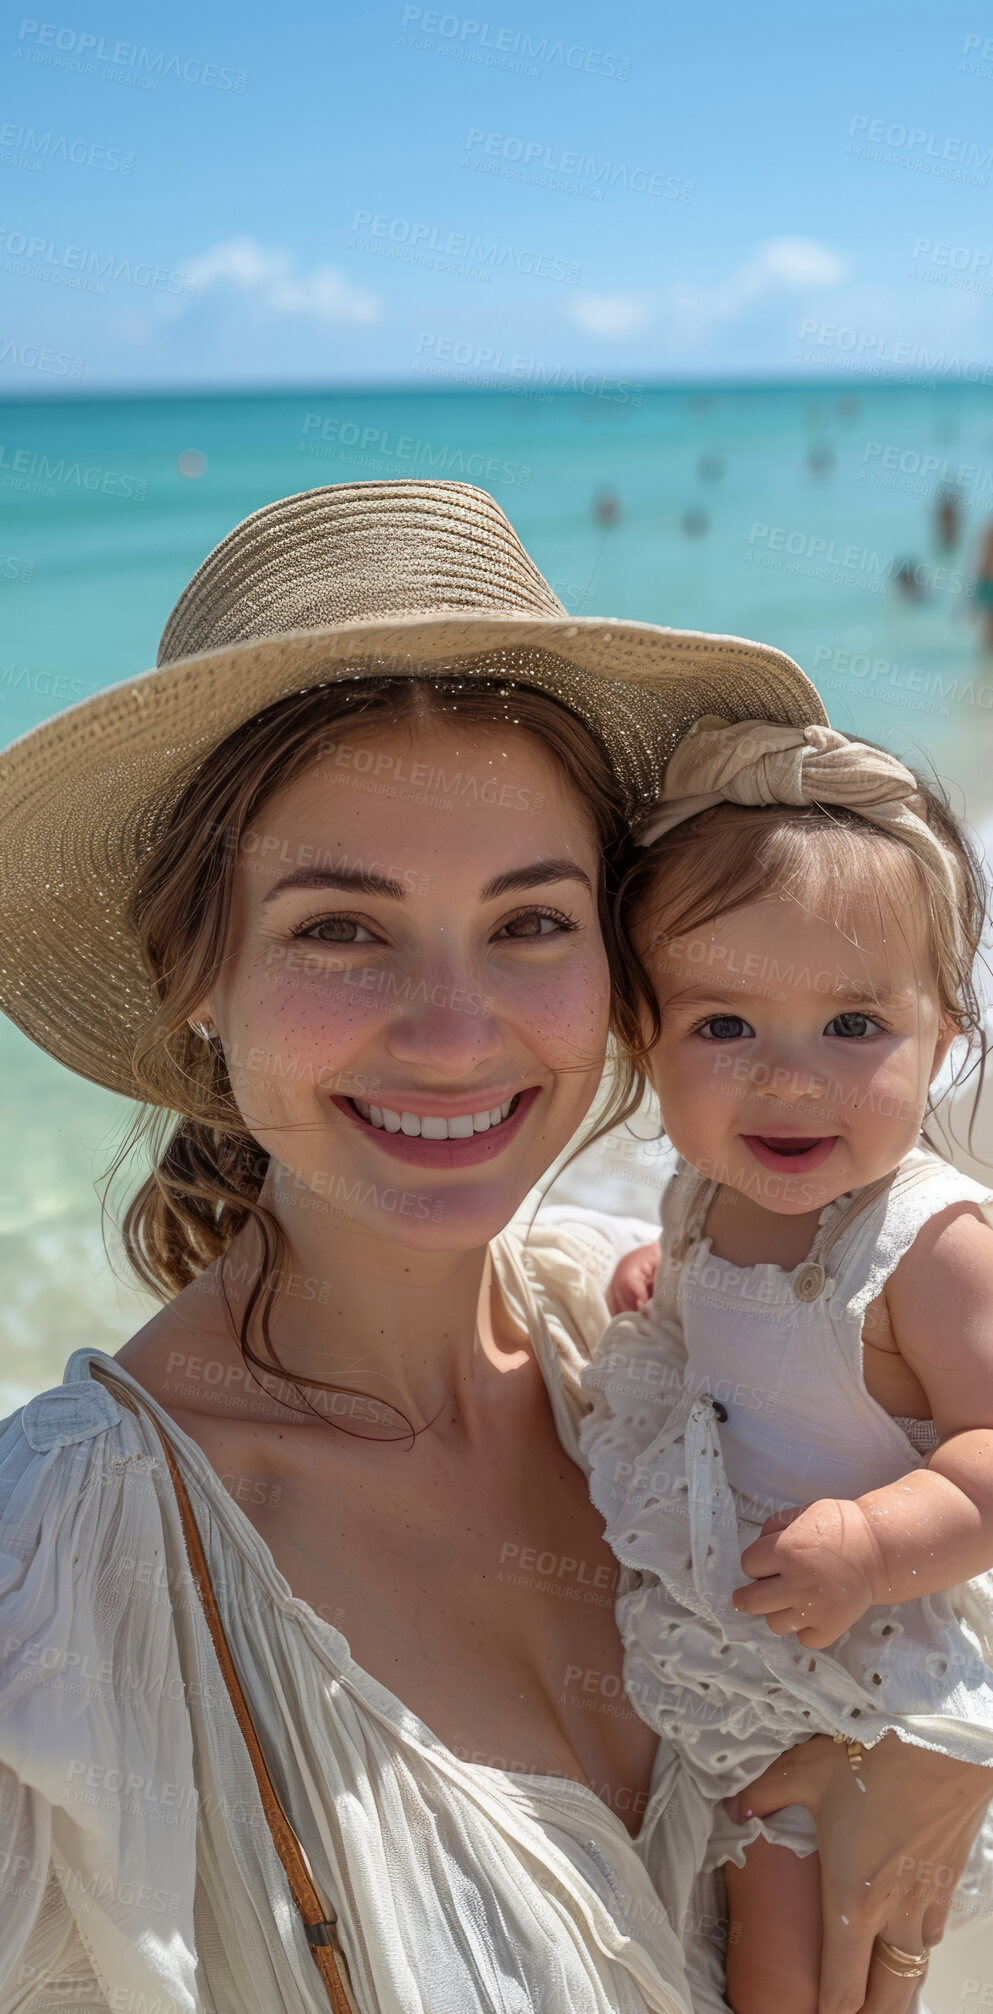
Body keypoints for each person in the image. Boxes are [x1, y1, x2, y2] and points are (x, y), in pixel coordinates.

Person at [0, 483, 987, 2014]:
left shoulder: (651, 1327)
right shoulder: (62, 1565)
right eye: (341, 926)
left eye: (530, 921)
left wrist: (939, 1752)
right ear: (192, 971)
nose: (452, 1034)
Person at [584, 716, 993, 2014]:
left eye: (851, 1021)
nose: (784, 1074)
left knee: (796, 1941)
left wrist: (876, 1541)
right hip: (751, 1636)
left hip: (867, 1664)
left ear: (941, 1038)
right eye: (721, 1024)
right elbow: (731, 1340)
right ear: (641, 1040)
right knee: (744, 1892)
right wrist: (667, 1295)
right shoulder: (707, 1199)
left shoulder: (926, 1246)